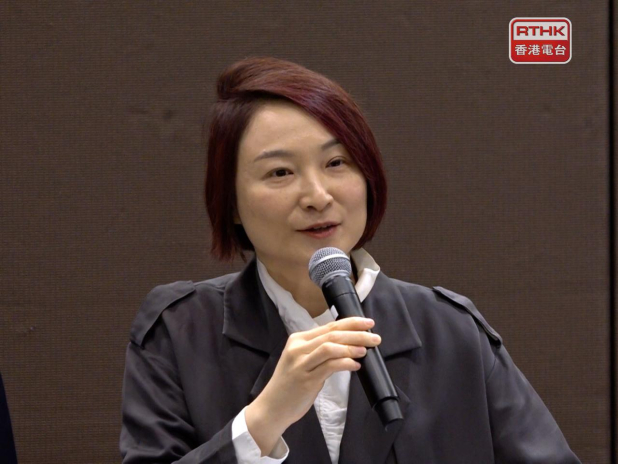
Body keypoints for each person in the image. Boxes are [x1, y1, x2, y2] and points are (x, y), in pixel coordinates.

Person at [120, 57, 581, 464]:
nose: (317, 196)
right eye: (280, 172)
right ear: (231, 202)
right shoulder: (180, 331)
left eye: (337, 163)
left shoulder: (450, 330)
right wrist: (262, 422)